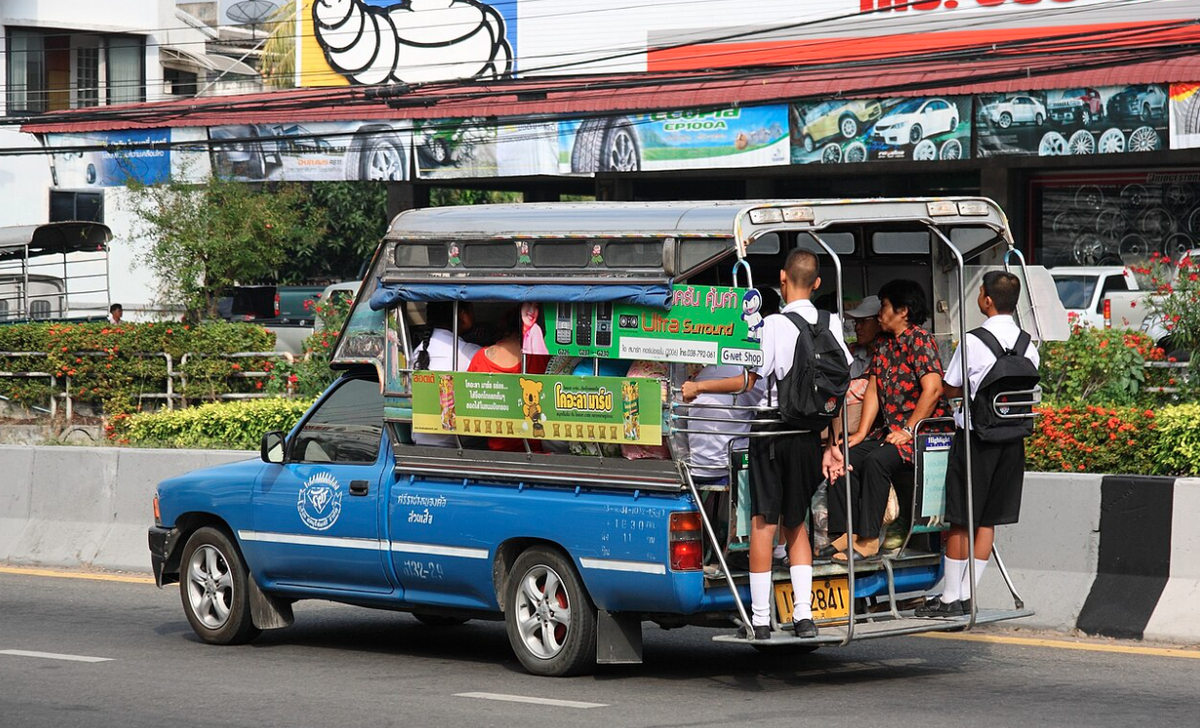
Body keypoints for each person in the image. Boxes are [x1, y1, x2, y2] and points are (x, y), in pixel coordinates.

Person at [682, 250, 851, 641]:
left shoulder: (774, 324)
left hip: (771, 433)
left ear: (782, 279)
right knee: (797, 524)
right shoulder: (832, 323)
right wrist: (833, 444)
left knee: (763, 524)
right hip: (809, 436)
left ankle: (759, 619)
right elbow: (838, 389)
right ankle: (804, 616)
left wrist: (701, 386)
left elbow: (748, 381)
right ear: (818, 284)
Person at [917, 271, 1039, 617]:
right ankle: (969, 595)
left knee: (960, 518)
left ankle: (949, 598)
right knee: (988, 519)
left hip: (976, 439)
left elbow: (951, 387)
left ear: (986, 299)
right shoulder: (1028, 343)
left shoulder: (973, 341)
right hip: (1013, 439)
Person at [824, 280, 949, 562]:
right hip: (891, 433)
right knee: (845, 456)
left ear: (902, 311)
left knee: (876, 461)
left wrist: (909, 429)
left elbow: (933, 388)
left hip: (922, 436)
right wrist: (860, 433)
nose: (880, 313)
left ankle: (868, 540)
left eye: (884, 306)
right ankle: (845, 533)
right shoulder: (883, 344)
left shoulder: (920, 340)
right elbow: (874, 389)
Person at [468, 305, 549, 452]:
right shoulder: (541, 356)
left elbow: (468, 405)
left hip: (496, 452)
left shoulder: (481, 358)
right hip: (536, 451)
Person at [412, 302, 481, 447]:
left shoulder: (417, 352)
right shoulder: (470, 353)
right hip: (458, 445)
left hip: (421, 443)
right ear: (462, 314)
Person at [843, 295, 884, 435]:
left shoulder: (886, 356)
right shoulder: (851, 353)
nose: (857, 328)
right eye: (856, 322)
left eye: (863, 321)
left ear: (880, 322)